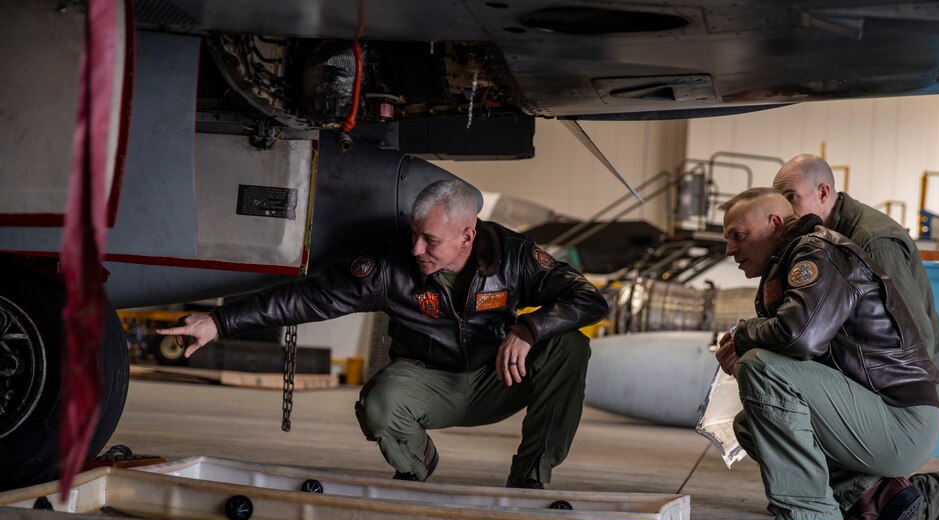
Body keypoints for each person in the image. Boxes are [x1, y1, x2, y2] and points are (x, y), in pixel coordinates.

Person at [159, 179, 609, 488]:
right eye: (414, 235)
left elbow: (588, 299)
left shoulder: (514, 255)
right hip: (430, 382)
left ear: (467, 236)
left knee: (569, 345)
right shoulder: (389, 266)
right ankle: (418, 464)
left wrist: (530, 328)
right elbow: (311, 298)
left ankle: (530, 476)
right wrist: (218, 321)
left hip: (498, 375)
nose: (416, 249)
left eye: (430, 240)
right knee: (378, 403)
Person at [715, 188, 939, 520]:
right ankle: (867, 494)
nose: (730, 248)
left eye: (738, 235)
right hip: (872, 409)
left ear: (775, 224)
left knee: (760, 365)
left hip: (897, 415)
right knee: (751, 423)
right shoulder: (790, 263)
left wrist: (745, 338)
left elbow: (799, 334)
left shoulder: (818, 251)